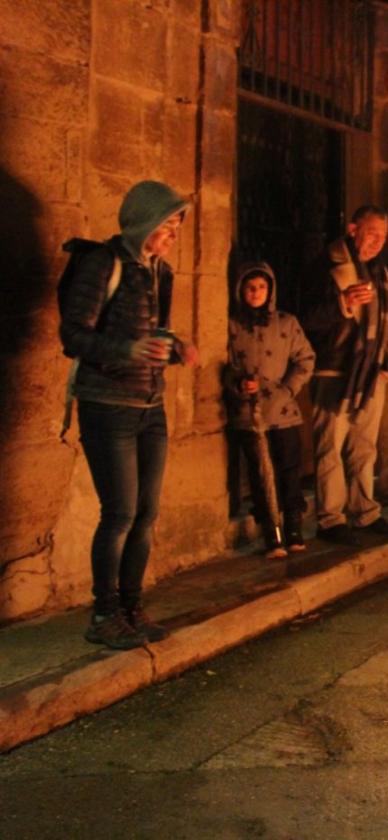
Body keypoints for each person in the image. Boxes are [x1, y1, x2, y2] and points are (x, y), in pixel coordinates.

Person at [59, 180, 199, 648]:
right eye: (169, 222)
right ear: (144, 220)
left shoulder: (160, 272)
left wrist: (176, 348)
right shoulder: (104, 263)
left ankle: (132, 608)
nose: (174, 231)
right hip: (107, 406)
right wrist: (130, 349)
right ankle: (103, 615)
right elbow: (75, 336)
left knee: (145, 514)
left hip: (150, 407)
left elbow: (154, 334)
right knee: (118, 513)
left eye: (178, 223)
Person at [301, 205, 388, 547]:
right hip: (335, 369)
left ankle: (365, 511)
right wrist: (343, 302)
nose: (377, 242)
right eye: (371, 233)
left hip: (371, 372)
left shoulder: (381, 274)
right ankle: (331, 518)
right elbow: (307, 318)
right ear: (352, 229)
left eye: (383, 236)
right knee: (330, 445)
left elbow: (387, 322)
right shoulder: (324, 267)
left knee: (365, 446)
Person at [225, 261, 315, 558]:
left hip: (283, 410)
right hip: (250, 414)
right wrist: (238, 384)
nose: (256, 293)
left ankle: (293, 528)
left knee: (289, 468)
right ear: (241, 290)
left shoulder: (286, 323)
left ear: (270, 290)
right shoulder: (232, 325)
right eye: (250, 288)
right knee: (260, 471)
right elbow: (223, 364)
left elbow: (305, 359)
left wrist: (287, 389)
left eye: (262, 287)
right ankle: (271, 532)